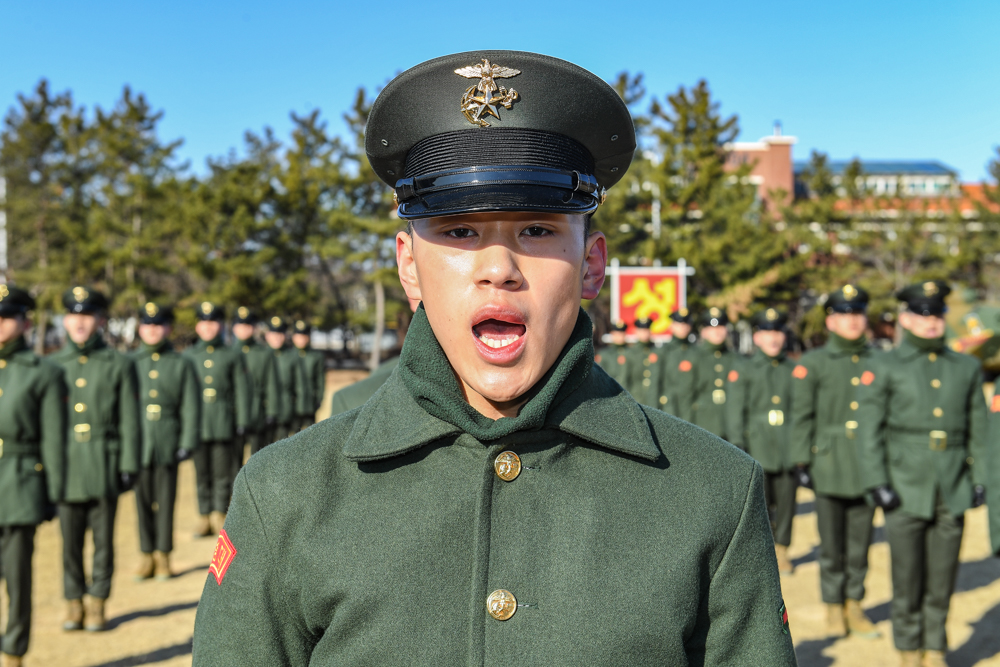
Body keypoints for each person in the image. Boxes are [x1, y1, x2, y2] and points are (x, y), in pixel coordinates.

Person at [192, 50, 795, 666]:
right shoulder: (285, 495)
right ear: (409, 265)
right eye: (459, 231)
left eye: (537, 230)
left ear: (591, 265)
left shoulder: (712, 493)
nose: (499, 269)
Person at [857, 281, 987, 667]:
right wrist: (877, 482)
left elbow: (979, 429)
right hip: (904, 485)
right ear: (906, 318)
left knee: (943, 577)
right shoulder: (885, 365)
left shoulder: (965, 367)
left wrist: (980, 477)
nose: (931, 322)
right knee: (907, 576)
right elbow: (869, 430)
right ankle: (909, 650)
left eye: (936, 313)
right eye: (922, 313)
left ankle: (935, 648)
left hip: (952, 485)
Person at [790, 284, 881, 639]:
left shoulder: (880, 361)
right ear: (830, 321)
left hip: (869, 463)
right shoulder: (815, 363)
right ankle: (832, 605)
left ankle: (854, 603)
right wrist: (801, 460)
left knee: (861, 542)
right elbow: (802, 415)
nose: (853, 321)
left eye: (858, 313)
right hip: (828, 462)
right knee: (831, 542)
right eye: (844, 314)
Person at [51, 286, 140, 632]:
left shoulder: (118, 364)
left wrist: (128, 463)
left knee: (104, 540)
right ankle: (73, 600)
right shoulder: (52, 366)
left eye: (87, 316)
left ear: (101, 320)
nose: (80, 323)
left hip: (104, 461)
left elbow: (129, 419)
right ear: (64, 320)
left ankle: (98, 599)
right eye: (73, 315)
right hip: (66, 464)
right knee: (69, 541)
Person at [0, 285, 67, 666]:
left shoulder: (42, 373)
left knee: (16, 576)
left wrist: (52, 493)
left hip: (18, 484)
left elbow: (53, 439)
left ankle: (14, 650)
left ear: (25, 321)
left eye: (6, 316)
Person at [132, 303, 200, 580]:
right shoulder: (130, 363)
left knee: (166, 501)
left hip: (167, 440)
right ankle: (146, 554)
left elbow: (190, 405)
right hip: (138, 442)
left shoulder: (180, 363)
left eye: (158, 325)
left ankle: (164, 555)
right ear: (139, 328)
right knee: (141, 503)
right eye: (147, 325)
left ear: (168, 328)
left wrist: (187, 441)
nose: (152, 330)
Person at [727, 308, 797, 574]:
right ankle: (763, 553)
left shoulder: (794, 369)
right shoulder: (745, 369)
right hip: (757, 445)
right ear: (757, 337)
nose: (773, 338)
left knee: (787, 502)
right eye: (767, 332)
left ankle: (783, 549)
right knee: (760, 504)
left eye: (778, 332)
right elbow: (736, 411)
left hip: (787, 445)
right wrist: (738, 445)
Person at [186, 302, 249, 537]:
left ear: (221, 325)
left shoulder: (232, 355)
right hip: (198, 422)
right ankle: (204, 515)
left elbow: (241, 390)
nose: (208, 327)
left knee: (223, 472)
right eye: (203, 322)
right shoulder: (189, 356)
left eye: (213, 322)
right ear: (197, 326)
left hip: (223, 420)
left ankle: (220, 513)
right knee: (201, 472)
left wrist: (242, 420)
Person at [232, 307, 279, 456]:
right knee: (234, 460)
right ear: (234, 328)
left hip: (258, 410)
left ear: (254, 328)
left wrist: (272, 411)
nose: (244, 329)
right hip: (234, 412)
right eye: (240, 325)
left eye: (248, 325)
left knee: (258, 457)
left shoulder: (264, 353)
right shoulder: (229, 352)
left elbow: (271, 384)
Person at [690, 307, 737, 439]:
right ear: (703, 331)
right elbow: (685, 397)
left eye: (721, 327)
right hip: (701, 424)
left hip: (730, 426)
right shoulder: (694, 357)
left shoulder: (736, 359)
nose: (717, 332)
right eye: (711, 328)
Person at [263, 316, 303, 444]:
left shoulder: (292, 357)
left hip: (285, 410)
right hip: (263, 409)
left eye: (280, 334)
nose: (277, 338)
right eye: (273, 334)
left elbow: (299, 386)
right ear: (267, 335)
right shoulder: (261, 355)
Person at [662, 308, 698, 420]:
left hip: (692, 409)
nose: (683, 328)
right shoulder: (664, 351)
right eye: (679, 324)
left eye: (686, 324)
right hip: (668, 408)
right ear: (671, 326)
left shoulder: (696, 352)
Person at [290, 320, 324, 431]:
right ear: (293, 337)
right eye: (298, 336)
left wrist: (319, 398)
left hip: (310, 403)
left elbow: (320, 380)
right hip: (292, 404)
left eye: (304, 336)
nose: (301, 339)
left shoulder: (315, 356)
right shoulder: (288, 355)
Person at [625, 316, 661, 407]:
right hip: (635, 400)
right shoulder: (630, 353)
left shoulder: (658, 352)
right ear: (636, 331)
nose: (644, 333)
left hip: (655, 401)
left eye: (646, 330)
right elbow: (625, 380)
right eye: (641, 331)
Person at [595, 319, 629, 388]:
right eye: (617, 334)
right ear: (612, 334)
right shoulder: (604, 354)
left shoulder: (630, 352)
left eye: (621, 334)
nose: (619, 337)